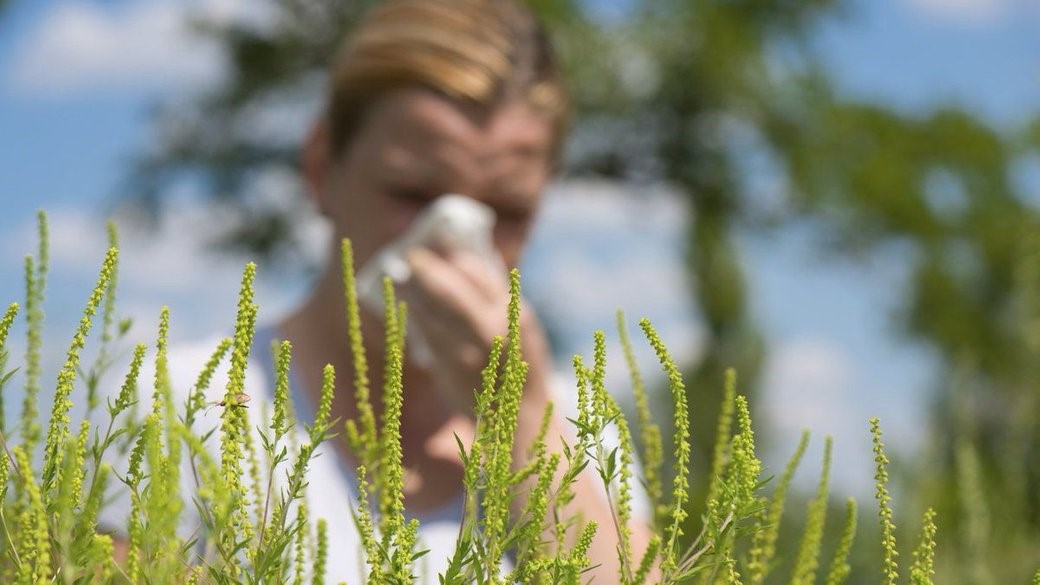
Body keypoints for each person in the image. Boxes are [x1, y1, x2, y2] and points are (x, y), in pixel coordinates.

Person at [105, 0, 653, 581]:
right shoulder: (184, 403)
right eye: (411, 195)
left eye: (507, 210)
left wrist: (519, 418)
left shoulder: (579, 424)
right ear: (321, 168)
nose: (453, 244)